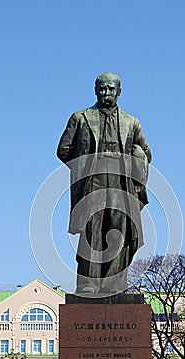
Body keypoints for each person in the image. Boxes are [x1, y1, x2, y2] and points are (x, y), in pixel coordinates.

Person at [57, 72, 152, 295]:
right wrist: (84, 167)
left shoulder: (131, 122)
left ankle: (114, 285)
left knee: (118, 229)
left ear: (119, 92)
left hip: (121, 181)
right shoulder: (80, 118)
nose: (106, 93)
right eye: (102, 88)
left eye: (110, 89)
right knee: (93, 230)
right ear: (95, 90)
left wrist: (137, 157)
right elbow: (63, 150)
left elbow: (146, 152)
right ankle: (88, 284)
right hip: (93, 179)